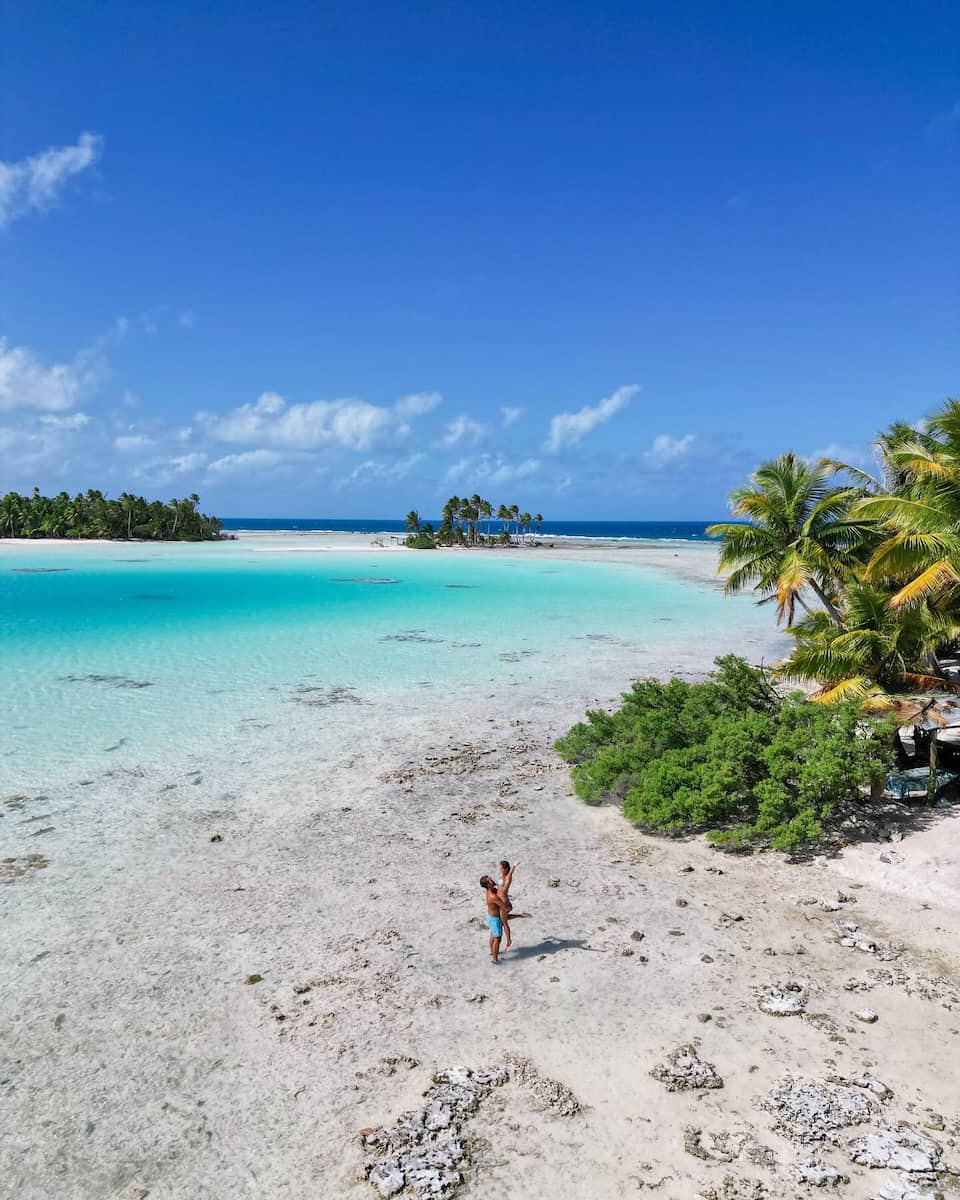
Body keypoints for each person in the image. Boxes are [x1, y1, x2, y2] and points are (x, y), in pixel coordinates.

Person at [495, 859, 531, 952]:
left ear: (506, 869)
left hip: (503, 902)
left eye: (501, 868)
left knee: (504, 923)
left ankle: (509, 941)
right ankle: (520, 915)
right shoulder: (502, 876)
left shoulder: (508, 877)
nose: (499, 869)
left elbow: (504, 888)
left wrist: (514, 865)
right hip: (501, 901)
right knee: (503, 920)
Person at [480, 876, 509, 963]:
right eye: (490, 880)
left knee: (493, 935)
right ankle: (495, 960)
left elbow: (498, 889)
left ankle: (493, 953)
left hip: (491, 918)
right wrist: (509, 905)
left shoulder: (490, 891)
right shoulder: (493, 896)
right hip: (495, 920)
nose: (492, 880)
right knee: (498, 939)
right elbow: (504, 908)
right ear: (488, 885)